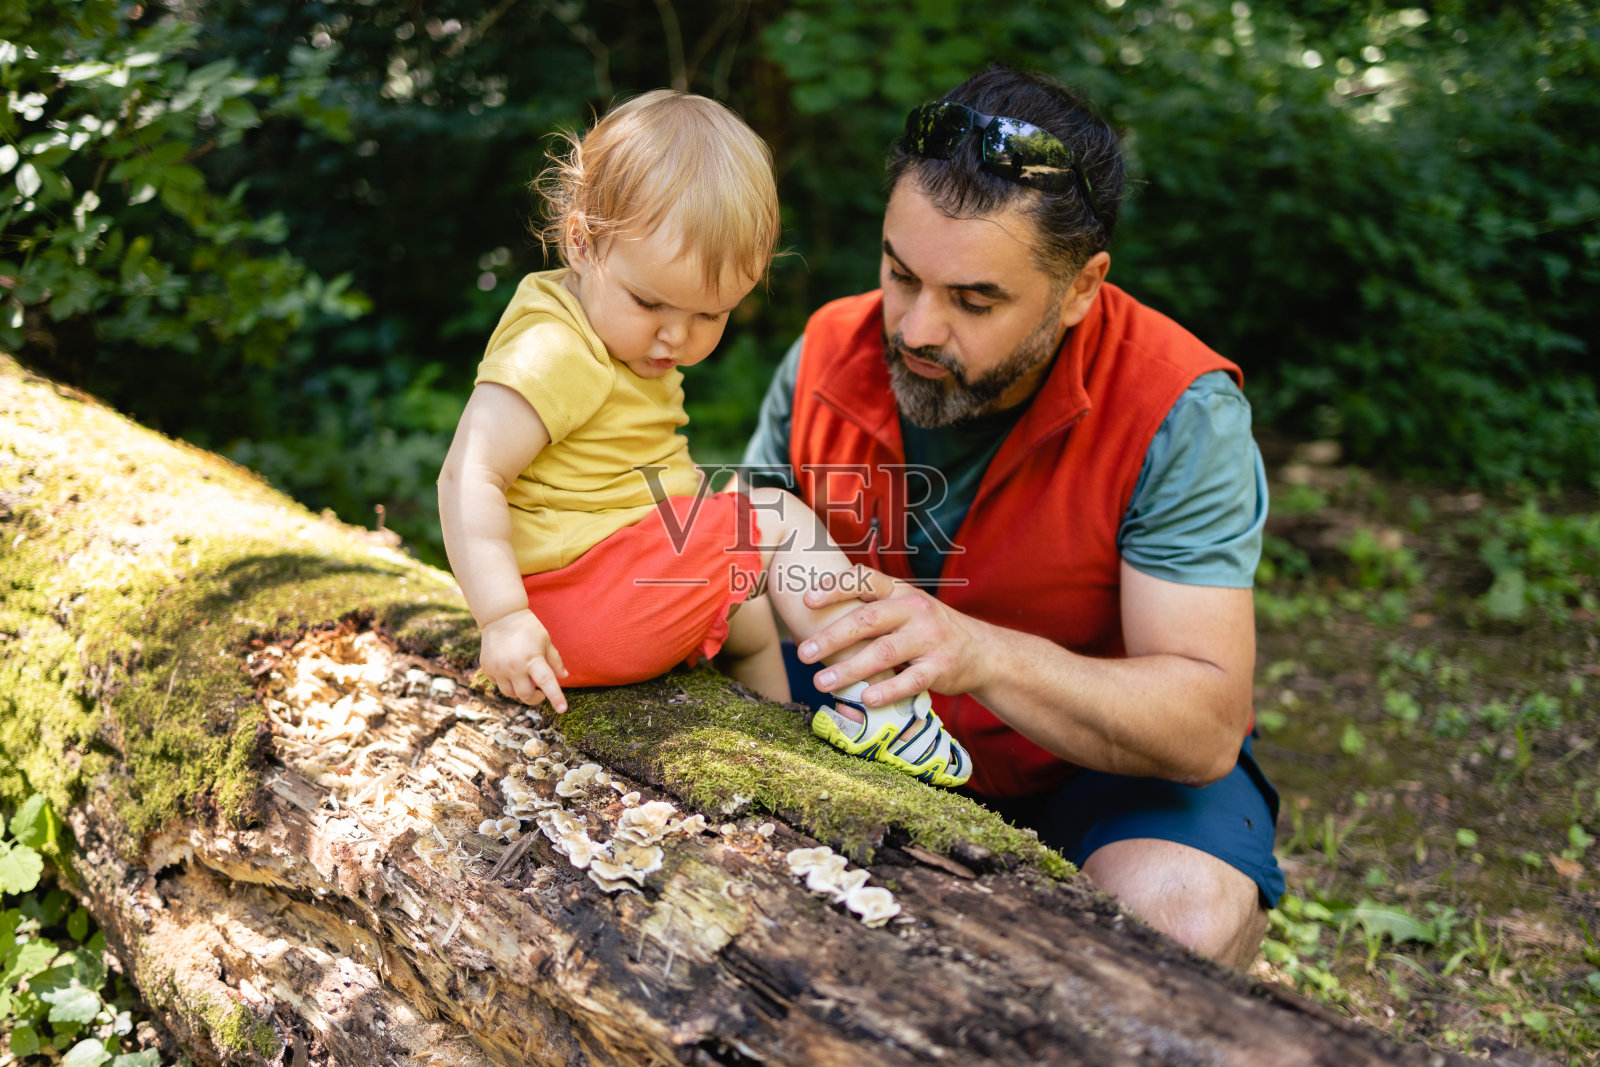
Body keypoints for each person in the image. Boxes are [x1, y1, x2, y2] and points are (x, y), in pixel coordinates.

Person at [740, 66, 1284, 967]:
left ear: (1082, 287)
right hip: (857, 731)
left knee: (1181, 921)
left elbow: (1203, 723)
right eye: (900, 273)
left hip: (1093, 772)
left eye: (975, 299)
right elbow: (738, 573)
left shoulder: (1178, 409)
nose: (915, 327)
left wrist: (981, 653)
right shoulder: (828, 348)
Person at [436, 89, 972, 789]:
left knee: (746, 607)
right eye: (650, 302)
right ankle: (888, 705)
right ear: (580, 240)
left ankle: (778, 735)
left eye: (708, 314)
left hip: (602, 595)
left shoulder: (620, 336)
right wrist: (503, 619)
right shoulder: (554, 348)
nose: (675, 336)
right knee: (770, 515)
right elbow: (468, 474)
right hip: (570, 610)